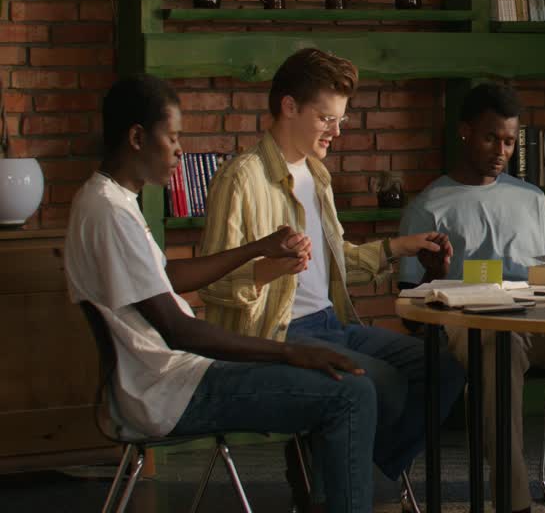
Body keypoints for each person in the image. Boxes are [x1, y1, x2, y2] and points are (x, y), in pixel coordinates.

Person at [65, 75, 378, 513]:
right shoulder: (107, 213)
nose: (179, 151)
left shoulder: (109, 201)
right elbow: (179, 331)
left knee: (343, 386)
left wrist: (256, 248)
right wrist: (287, 353)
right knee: (350, 394)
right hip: (168, 390)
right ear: (137, 137)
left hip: (171, 381)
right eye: (172, 138)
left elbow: (168, 276)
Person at [197, 48, 463, 510]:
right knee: (383, 384)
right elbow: (213, 282)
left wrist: (401, 247)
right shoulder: (242, 178)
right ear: (289, 106)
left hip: (329, 323)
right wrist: (268, 269)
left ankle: (338, 474)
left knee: (447, 368)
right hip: (275, 335)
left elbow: (337, 259)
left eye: (340, 119)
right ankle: (344, 485)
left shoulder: (317, 175)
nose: (337, 131)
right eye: (326, 118)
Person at [398, 82, 545, 513]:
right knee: (499, 344)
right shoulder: (430, 206)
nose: (501, 150)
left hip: (542, 321)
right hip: (478, 327)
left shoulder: (531, 198)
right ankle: (514, 502)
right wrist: (439, 278)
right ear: (465, 132)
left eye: (509, 141)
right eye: (491, 138)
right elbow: (412, 312)